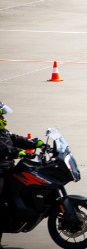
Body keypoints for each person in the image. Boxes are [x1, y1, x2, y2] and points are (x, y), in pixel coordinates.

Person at [0, 101, 43, 245]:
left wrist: (35, 143)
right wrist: (19, 152)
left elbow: (15, 138)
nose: (3, 118)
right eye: (1, 115)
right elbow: (4, 150)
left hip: (7, 169)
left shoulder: (3, 131)